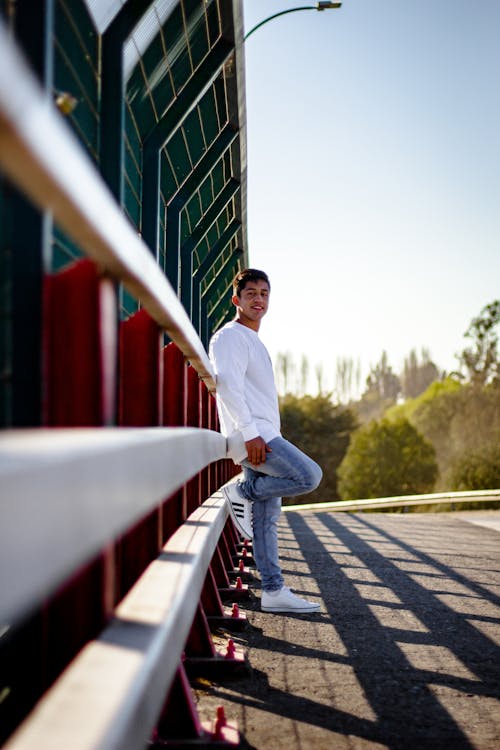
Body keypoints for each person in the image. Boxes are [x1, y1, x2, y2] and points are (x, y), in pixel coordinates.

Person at [209, 268, 323, 613]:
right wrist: (251, 432)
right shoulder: (229, 336)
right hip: (254, 435)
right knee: (308, 476)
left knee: (267, 517)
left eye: (264, 294)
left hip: (261, 432)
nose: (258, 300)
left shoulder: (253, 340)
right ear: (236, 300)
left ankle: (273, 591)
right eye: (251, 294)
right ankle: (240, 492)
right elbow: (228, 387)